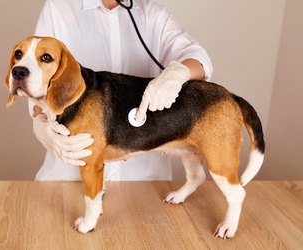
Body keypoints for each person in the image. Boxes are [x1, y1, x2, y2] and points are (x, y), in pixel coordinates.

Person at [31, 0, 213, 181]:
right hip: (70, 177)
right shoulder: (58, 8)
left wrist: (178, 73)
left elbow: (198, 58)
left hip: (143, 183)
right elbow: (35, 83)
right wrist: (42, 126)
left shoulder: (153, 13)